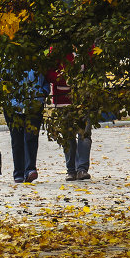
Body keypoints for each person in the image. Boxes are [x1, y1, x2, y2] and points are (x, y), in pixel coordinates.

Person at [47, 52, 92, 181]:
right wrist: (64, 78)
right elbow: (50, 74)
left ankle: (82, 169)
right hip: (63, 98)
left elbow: (94, 69)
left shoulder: (87, 47)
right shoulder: (57, 48)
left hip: (84, 98)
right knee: (68, 136)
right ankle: (71, 170)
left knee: (84, 135)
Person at [4, 68, 47, 183]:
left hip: (35, 104)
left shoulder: (37, 61)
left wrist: (44, 92)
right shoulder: (9, 61)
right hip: (13, 105)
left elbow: (45, 79)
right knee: (17, 139)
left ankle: (30, 170)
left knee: (31, 137)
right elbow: (2, 81)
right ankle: (19, 172)